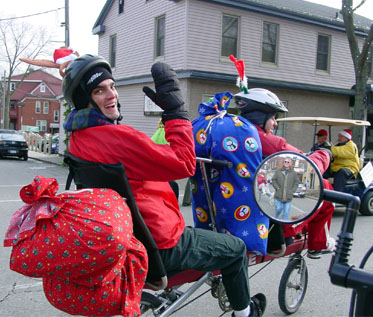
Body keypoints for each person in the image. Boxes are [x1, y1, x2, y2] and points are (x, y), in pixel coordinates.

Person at [62, 55, 266, 317]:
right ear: (84, 99)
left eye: (112, 86)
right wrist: (175, 112)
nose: (111, 95)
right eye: (99, 90)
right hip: (162, 244)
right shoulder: (117, 138)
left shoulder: (78, 139)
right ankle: (245, 313)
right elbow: (184, 164)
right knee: (236, 248)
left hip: (132, 237)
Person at [233, 88, 335, 259]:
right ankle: (319, 244)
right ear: (260, 118)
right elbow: (310, 166)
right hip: (271, 223)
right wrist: (325, 153)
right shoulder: (268, 142)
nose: (275, 123)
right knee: (325, 188)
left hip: (234, 211)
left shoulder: (234, 136)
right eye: (273, 118)